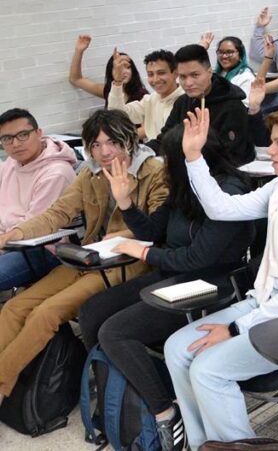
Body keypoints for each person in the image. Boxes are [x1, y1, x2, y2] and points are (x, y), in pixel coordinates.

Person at [164, 105, 278, 449]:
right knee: (177, 348)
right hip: (269, 301)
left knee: (207, 371)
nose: (271, 151)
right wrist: (193, 157)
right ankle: (204, 445)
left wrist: (235, 328)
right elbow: (222, 208)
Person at [76, 125, 253, 451]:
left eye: (168, 159)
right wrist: (125, 202)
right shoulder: (184, 187)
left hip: (210, 285)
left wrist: (142, 252)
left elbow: (199, 257)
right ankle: (122, 395)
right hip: (173, 275)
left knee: (115, 332)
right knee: (91, 313)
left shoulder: (229, 192)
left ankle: (164, 411)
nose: (163, 165)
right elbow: (153, 230)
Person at [0, 110, 167, 403]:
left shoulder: (154, 171)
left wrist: (124, 236)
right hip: (88, 256)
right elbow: (57, 213)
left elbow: (159, 227)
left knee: (46, 314)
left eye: (112, 142)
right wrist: (15, 234)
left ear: (129, 139)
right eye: (95, 145)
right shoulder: (89, 173)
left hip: (128, 264)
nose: (104, 152)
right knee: (15, 307)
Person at [0, 108, 77, 291]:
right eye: (7, 139)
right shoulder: (13, 162)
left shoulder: (56, 173)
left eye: (23, 135)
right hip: (7, 241)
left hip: (40, 248)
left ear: (39, 133)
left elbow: (36, 226)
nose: (16, 144)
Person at [151, 44, 254, 167]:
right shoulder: (182, 102)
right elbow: (164, 140)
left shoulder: (232, 105)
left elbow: (234, 155)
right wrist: (139, 151)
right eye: (183, 77)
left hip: (224, 175)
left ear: (209, 72)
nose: (188, 83)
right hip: (187, 169)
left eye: (195, 75)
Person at [108, 49, 184, 141]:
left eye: (161, 73)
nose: (155, 79)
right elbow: (117, 115)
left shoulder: (186, 100)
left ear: (175, 74)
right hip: (153, 152)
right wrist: (118, 82)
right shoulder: (149, 100)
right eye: (150, 74)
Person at [69, 34, 148, 106]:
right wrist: (79, 51)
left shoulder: (142, 96)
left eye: (127, 67)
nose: (123, 72)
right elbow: (76, 79)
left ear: (133, 71)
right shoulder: (108, 90)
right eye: (118, 68)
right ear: (111, 72)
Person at [212, 36, 257, 105]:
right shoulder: (218, 74)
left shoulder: (246, 77)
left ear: (240, 54)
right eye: (220, 52)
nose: (224, 56)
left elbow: (245, 107)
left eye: (229, 52)